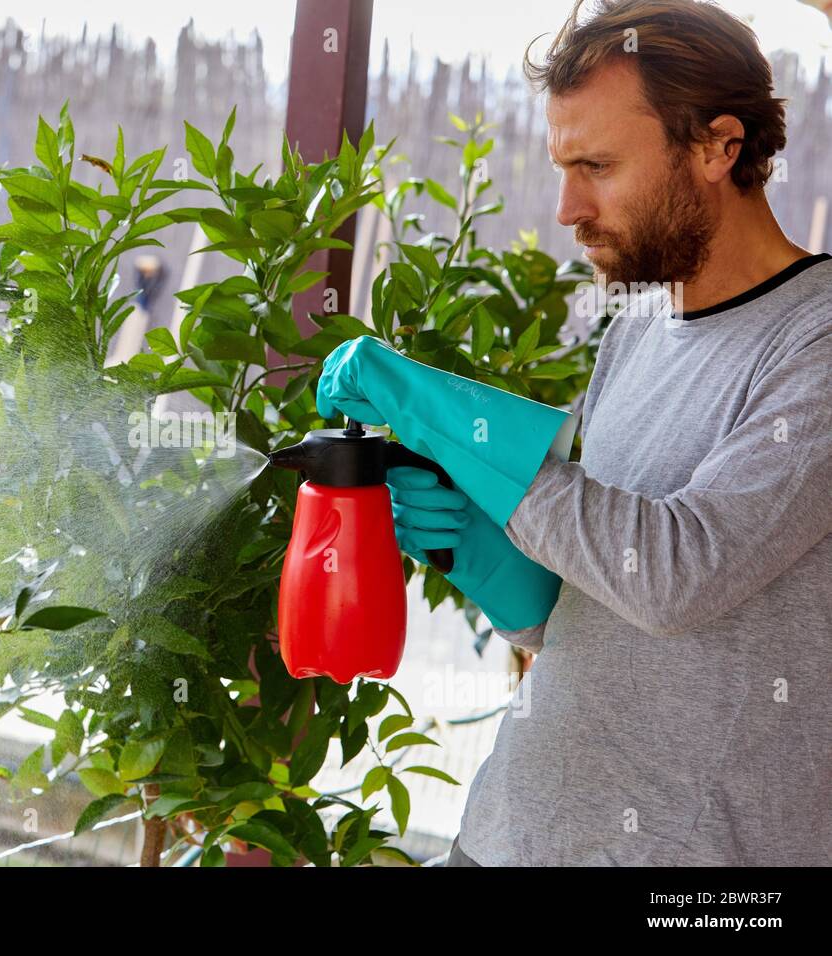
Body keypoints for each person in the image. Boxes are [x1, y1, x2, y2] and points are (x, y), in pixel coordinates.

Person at [319, 0, 832, 865]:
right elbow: (602, 602)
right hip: (508, 836)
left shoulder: (814, 340)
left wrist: (446, 416)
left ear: (719, 147)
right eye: (563, 167)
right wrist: (486, 551)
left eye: (596, 165)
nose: (566, 207)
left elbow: (677, 577)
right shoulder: (640, 324)